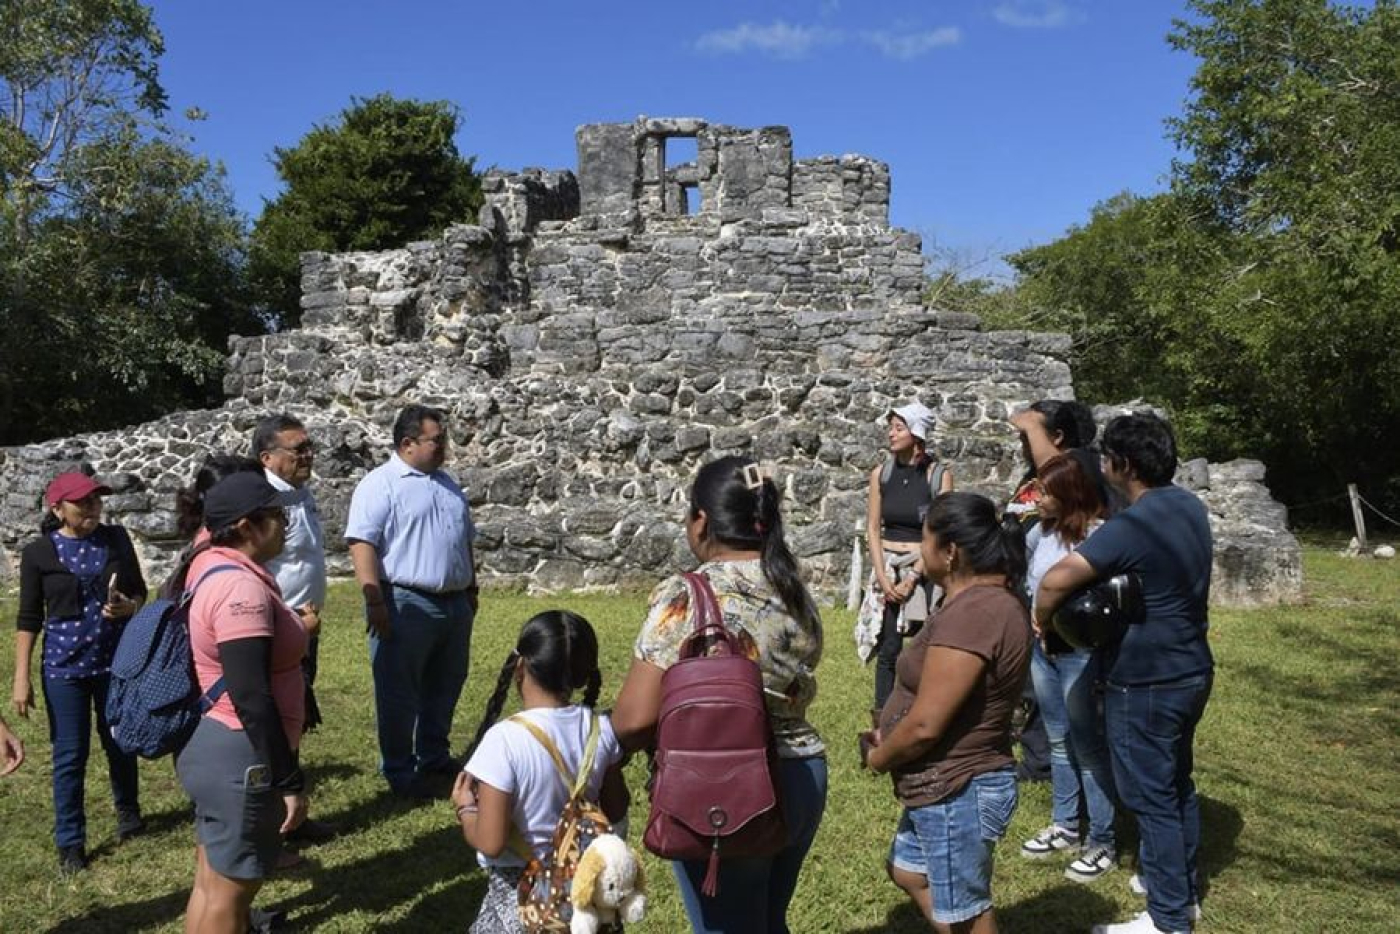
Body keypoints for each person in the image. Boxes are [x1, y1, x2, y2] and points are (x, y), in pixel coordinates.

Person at [612, 456, 825, 934]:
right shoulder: (793, 587)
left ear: (701, 520)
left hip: (726, 782)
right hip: (803, 771)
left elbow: (633, 720)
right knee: (767, 920)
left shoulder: (687, 595)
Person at [1035, 413, 1213, 934]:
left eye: (1107, 456)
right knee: (1177, 781)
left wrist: (1041, 619)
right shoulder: (1187, 505)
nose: (1103, 464)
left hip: (1146, 679)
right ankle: (1178, 885)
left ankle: (1167, 920)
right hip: (1191, 668)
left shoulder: (1134, 524)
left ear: (1124, 465)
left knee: (1151, 795)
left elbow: (1056, 579)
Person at [863, 492, 1030, 934]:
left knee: (967, 914)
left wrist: (880, 758)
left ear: (950, 551)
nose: (920, 549)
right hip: (943, 782)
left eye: (924, 538)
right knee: (910, 871)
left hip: (959, 785)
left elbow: (925, 725)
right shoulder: (972, 603)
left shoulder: (977, 612)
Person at [176, 471, 309, 934]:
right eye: (278, 517)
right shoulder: (241, 589)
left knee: (212, 886)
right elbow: (250, 693)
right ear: (248, 526)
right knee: (229, 902)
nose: (286, 526)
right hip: (241, 753)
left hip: (213, 741)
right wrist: (288, 778)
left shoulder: (207, 562)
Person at [452, 610, 627, 934]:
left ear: (521, 665)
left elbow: (490, 842)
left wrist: (466, 808)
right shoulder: (600, 730)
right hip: (588, 896)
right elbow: (616, 810)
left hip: (525, 899)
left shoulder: (504, 739)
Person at [12, 471, 147, 873]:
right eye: (81, 502)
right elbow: (29, 616)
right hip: (64, 668)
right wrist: (22, 677)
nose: (91, 508)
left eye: (95, 500)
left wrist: (131, 607)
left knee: (120, 741)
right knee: (70, 754)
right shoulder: (39, 553)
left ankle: (129, 813)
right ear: (57, 509)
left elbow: (140, 591)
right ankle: (70, 841)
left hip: (113, 662)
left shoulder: (116, 540)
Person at [345, 403, 478, 798]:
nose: (444, 447)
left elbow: (464, 540)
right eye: (436, 440)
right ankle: (400, 769)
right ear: (407, 443)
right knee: (399, 690)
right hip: (406, 600)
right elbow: (362, 542)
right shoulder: (380, 484)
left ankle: (434, 755)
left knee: (446, 682)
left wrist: (471, 587)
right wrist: (375, 602)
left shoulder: (447, 483)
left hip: (454, 603)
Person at [1017, 455, 1118, 883]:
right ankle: (1065, 824)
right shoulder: (1039, 535)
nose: (1037, 498)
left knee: (1088, 744)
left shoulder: (1099, 538)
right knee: (1058, 739)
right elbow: (1029, 581)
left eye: (1046, 491)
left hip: (1079, 652)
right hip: (1045, 650)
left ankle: (1103, 839)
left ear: (1070, 494)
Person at [1004, 399, 1102, 783]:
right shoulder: (1038, 477)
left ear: (1058, 437)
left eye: (1030, 433)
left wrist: (1028, 421)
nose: (1023, 442)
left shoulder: (1080, 466)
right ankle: (1040, 758)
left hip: (1064, 604)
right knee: (1034, 686)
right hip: (1027, 590)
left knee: (1066, 692)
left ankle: (1054, 764)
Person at [253, 414, 335, 847]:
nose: (307, 456)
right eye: (296, 449)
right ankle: (272, 821)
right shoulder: (262, 502)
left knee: (294, 718)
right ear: (268, 457)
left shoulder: (299, 494)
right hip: (274, 631)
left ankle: (290, 814)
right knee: (276, 720)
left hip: (303, 628)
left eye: (308, 447)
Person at [859, 402, 954, 718]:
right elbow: (873, 528)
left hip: (924, 567)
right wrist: (884, 579)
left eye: (898, 427)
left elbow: (938, 533)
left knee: (925, 645)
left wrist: (913, 576)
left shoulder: (938, 476)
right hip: (888, 564)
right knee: (889, 648)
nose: (891, 433)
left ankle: (924, 713)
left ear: (916, 434)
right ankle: (882, 717)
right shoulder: (881, 474)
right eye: (891, 427)